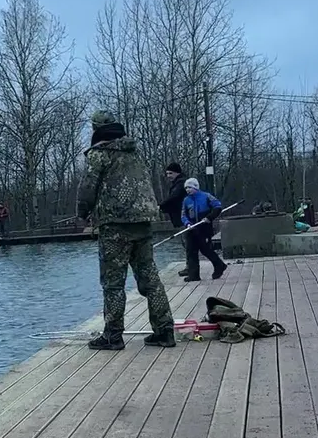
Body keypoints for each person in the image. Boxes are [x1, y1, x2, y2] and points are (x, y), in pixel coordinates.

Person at [75, 110, 176, 350]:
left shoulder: (99, 154)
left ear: (95, 129)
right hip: (142, 221)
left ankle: (113, 335)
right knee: (150, 278)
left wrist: (83, 212)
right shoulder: (134, 152)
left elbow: (88, 187)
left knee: (113, 283)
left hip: (115, 224)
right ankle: (164, 331)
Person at [181, 178, 228, 281]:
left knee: (206, 250)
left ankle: (219, 265)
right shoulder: (186, 200)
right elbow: (183, 215)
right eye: (186, 188)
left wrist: (209, 218)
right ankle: (194, 275)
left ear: (195, 187)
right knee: (191, 251)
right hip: (191, 228)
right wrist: (187, 223)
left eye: (189, 187)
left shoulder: (206, 196)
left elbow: (217, 207)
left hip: (204, 227)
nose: (187, 190)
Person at [159, 162, 192, 277]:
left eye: (170, 173)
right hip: (181, 218)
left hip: (184, 218)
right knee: (187, 243)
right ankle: (190, 266)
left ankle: (190, 267)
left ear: (177, 172)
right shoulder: (178, 183)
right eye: (167, 173)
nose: (168, 176)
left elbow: (174, 198)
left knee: (188, 243)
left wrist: (161, 206)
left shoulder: (180, 184)